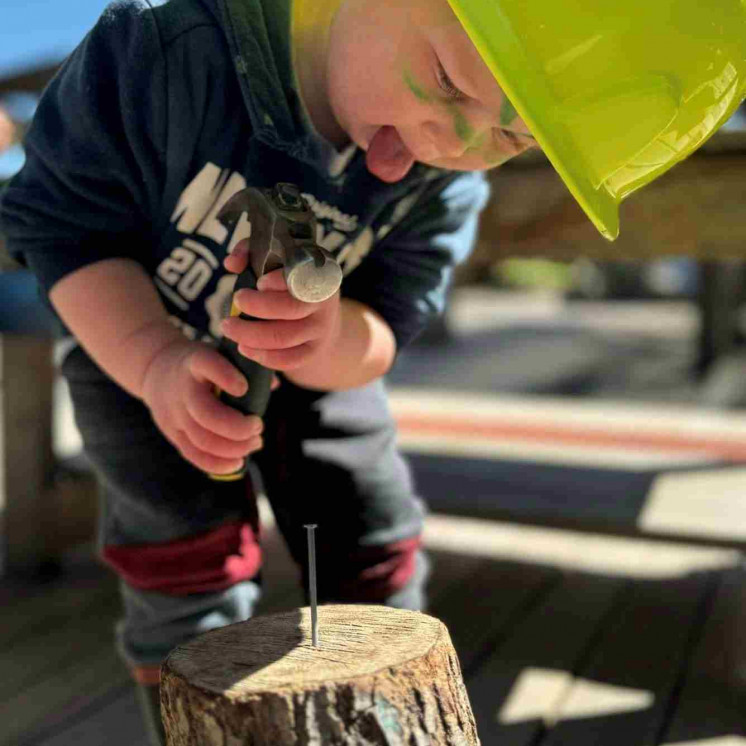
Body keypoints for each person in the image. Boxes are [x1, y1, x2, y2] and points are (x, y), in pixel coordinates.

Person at [1, 0, 743, 742]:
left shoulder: (444, 182)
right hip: (136, 350)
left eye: (513, 135)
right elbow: (63, 226)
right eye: (449, 80)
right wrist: (155, 359)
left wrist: (326, 339)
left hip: (318, 374)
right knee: (180, 548)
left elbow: (388, 321)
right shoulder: (166, 50)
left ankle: (384, 716)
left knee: (369, 521)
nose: (455, 141)